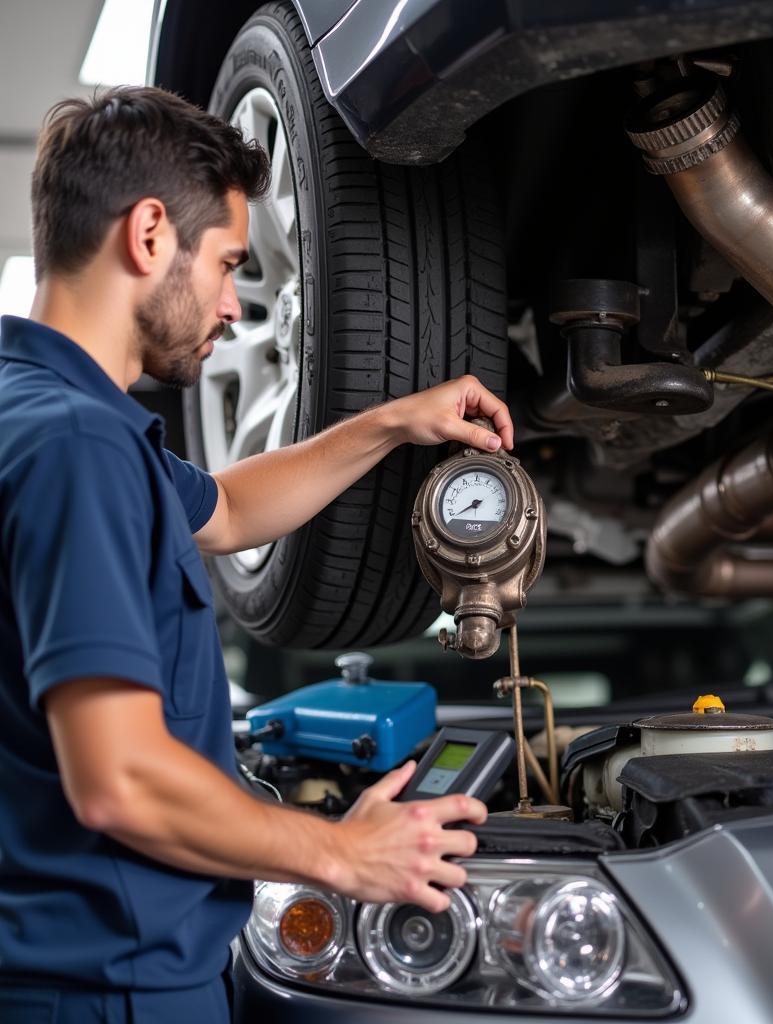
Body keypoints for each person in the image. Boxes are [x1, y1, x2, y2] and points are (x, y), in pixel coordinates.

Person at [0, 86, 514, 1023]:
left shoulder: (35, 416)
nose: (238, 305)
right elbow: (119, 779)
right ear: (150, 234)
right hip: (103, 993)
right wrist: (340, 852)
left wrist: (393, 422)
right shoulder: (79, 449)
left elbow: (231, 509)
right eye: (229, 263)